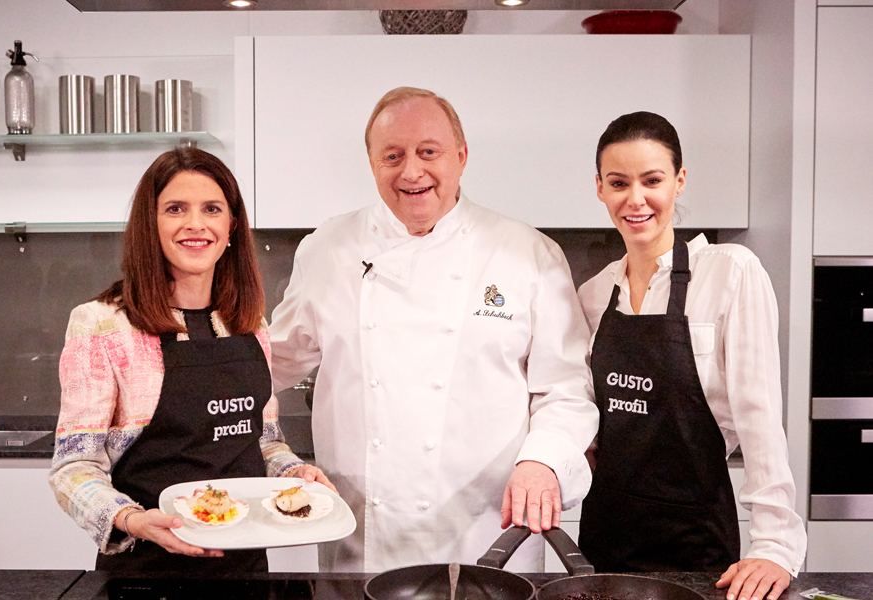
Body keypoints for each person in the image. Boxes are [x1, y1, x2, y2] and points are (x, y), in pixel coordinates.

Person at [266, 86, 599, 572]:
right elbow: (269, 365)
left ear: (461, 156)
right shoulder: (327, 249)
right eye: (393, 156)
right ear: (372, 164)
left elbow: (567, 389)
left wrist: (543, 461)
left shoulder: (527, 253)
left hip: (490, 532)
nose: (411, 172)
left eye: (428, 152)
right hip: (362, 540)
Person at [48, 147, 334, 572]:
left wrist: (294, 472)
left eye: (212, 209)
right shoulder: (102, 325)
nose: (195, 224)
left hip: (246, 565)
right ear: (151, 224)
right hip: (148, 565)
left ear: (231, 226)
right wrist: (131, 519)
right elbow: (74, 467)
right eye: (175, 209)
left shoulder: (248, 323)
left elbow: (263, 442)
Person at [576, 112, 807, 600]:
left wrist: (774, 546)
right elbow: (586, 421)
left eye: (651, 180)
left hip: (697, 545)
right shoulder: (593, 295)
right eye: (618, 183)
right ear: (599, 188)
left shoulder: (730, 272)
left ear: (679, 181)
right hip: (604, 541)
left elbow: (760, 418)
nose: (635, 199)